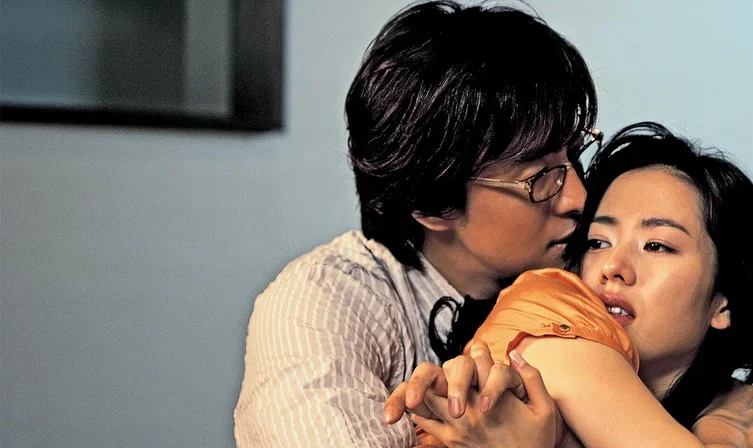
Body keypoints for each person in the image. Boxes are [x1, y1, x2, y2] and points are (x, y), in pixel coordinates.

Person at [233, 1, 601, 446]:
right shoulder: (321, 305)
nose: (579, 197)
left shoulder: (594, 276)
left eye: (574, 155)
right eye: (539, 177)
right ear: (433, 204)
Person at [386, 122, 753, 447]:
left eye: (656, 245)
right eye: (598, 242)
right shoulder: (550, 312)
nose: (612, 267)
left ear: (723, 302)